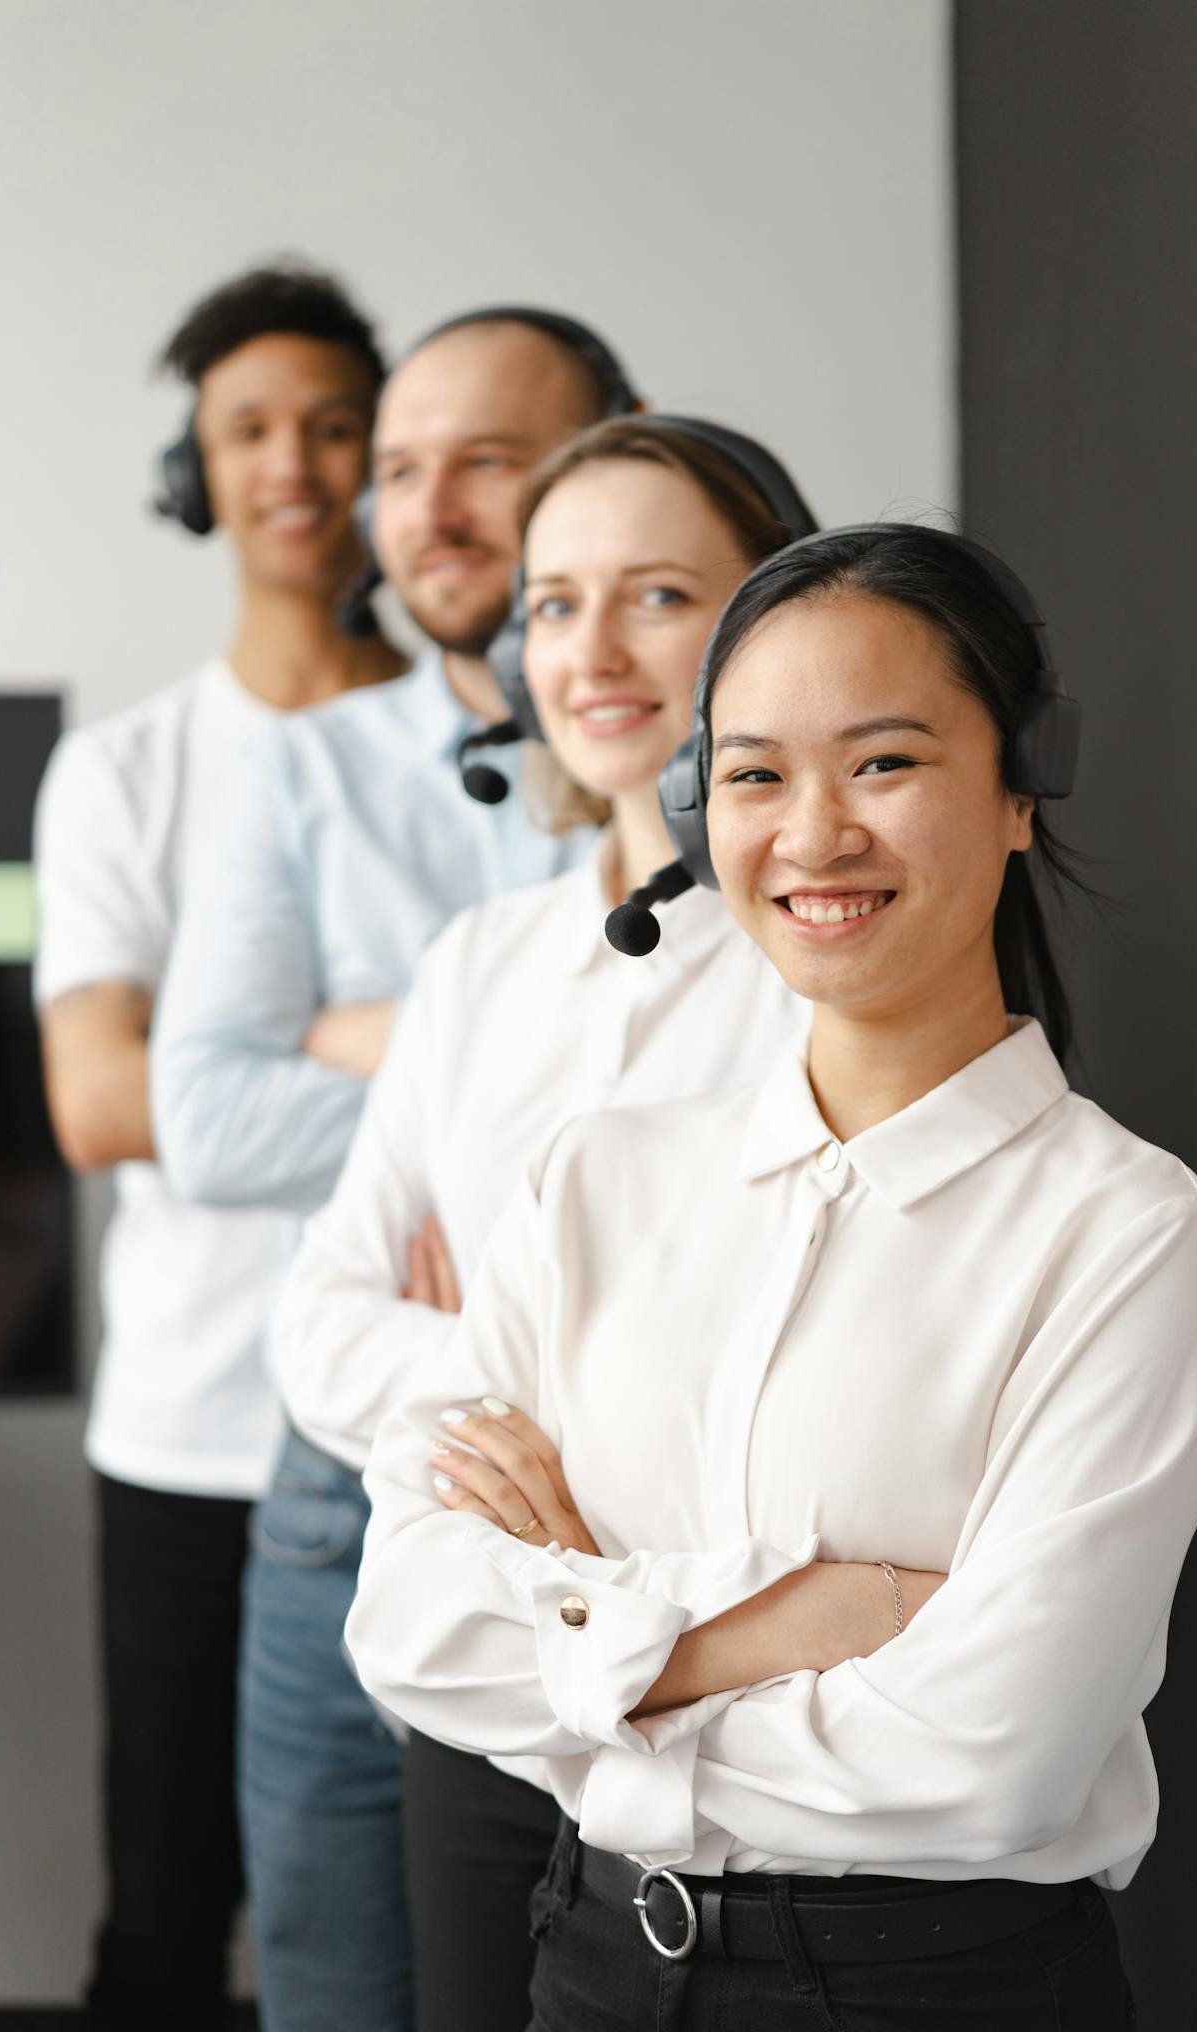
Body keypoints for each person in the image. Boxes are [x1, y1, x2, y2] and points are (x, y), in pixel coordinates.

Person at [347, 524, 1197, 2031]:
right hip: (588, 1960)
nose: (812, 834)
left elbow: (988, 1754)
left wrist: (590, 1636)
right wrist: (798, 1623)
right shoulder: (591, 1180)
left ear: (1021, 785)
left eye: (883, 764)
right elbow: (412, 1628)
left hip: (931, 1990)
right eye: (755, 774)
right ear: (699, 806)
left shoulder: (1126, 1231)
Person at [271, 414, 818, 2030]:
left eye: (657, 594)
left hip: (722, 1691)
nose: (592, 649)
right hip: (479, 1691)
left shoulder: (823, 956)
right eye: (557, 601)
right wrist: (565, 1381)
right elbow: (315, 1327)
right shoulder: (478, 966)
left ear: (765, 621)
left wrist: (494, 1355)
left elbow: (774, 1372)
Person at [150, 309, 639, 2032]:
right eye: (405, 467)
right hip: (337, 1482)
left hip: (621, 1500)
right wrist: (439, 1065)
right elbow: (200, 1115)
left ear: (608, 466)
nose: (430, 510)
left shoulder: (726, 783)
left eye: (488, 466)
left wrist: (377, 1045)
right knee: (339, 1979)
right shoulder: (300, 770)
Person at [32, 260, 401, 2031]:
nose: (295, 465)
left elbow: (559, 1082)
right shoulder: (125, 773)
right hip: (192, 1434)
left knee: (420, 1929)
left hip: (432, 1432)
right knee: (169, 1925)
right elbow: (99, 1107)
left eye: (336, 426)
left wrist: (249, 1056)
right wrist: (406, 1054)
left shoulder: (478, 742)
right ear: (196, 474)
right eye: (248, 430)